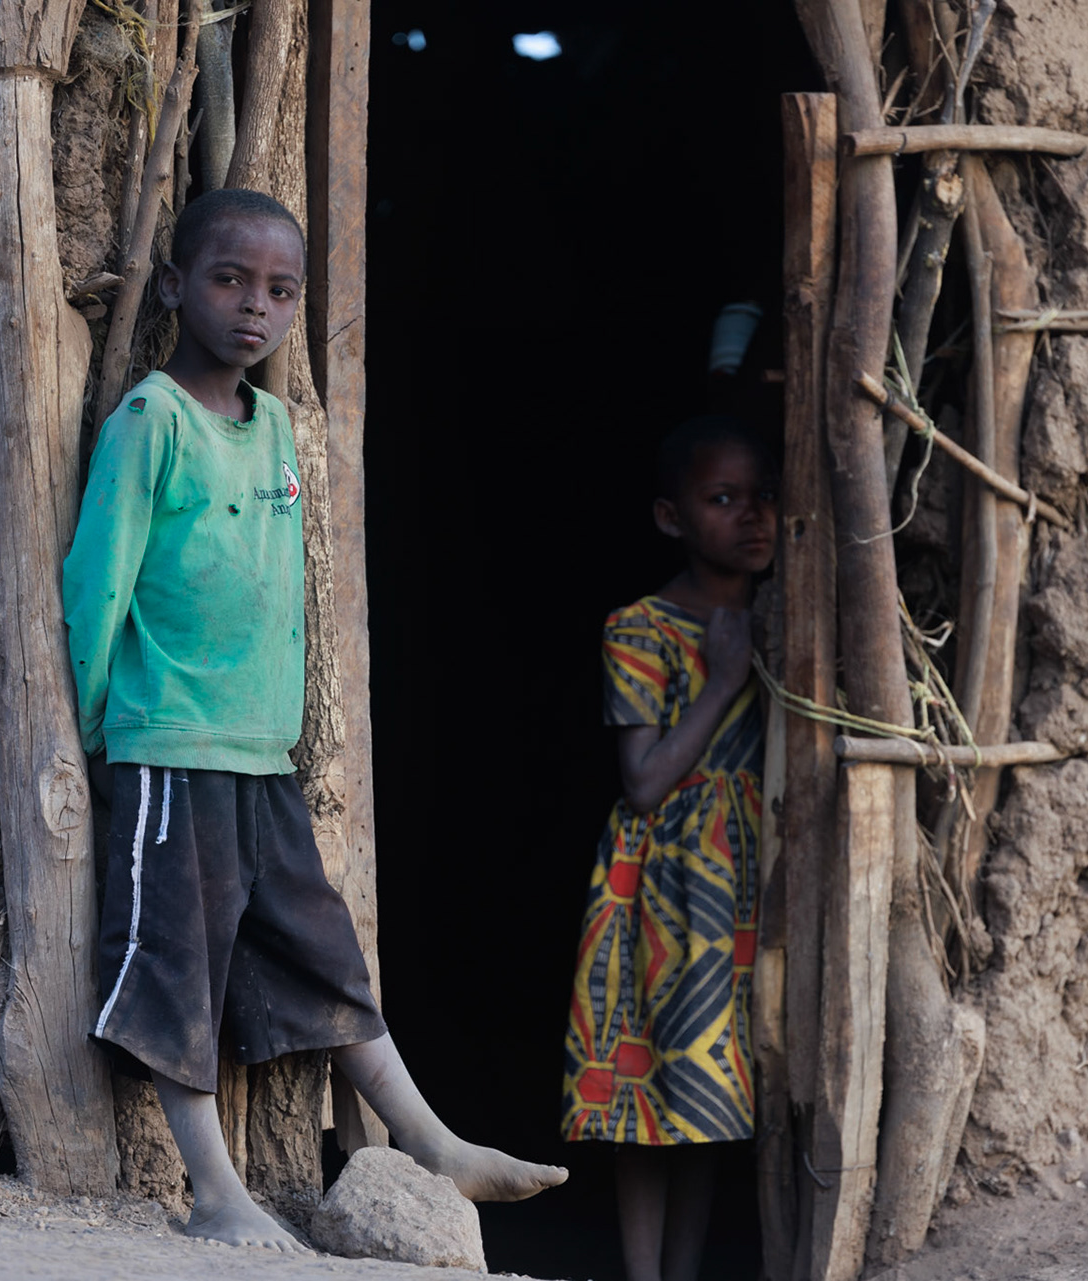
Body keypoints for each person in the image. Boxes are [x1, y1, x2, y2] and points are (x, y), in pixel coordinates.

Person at [62, 188, 567, 1252]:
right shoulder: (152, 422)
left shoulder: (280, 428)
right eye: (229, 280)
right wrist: (108, 730)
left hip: (259, 755)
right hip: (168, 748)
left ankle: (432, 1141)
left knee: (327, 950)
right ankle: (216, 1192)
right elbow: (96, 586)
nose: (254, 307)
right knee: (176, 965)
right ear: (173, 287)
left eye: (280, 291)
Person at [559, 415, 778, 1281]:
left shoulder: (790, 621)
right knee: (647, 1097)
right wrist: (725, 680)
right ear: (670, 517)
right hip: (662, 895)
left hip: (747, 892)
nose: (751, 515)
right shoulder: (640, 628)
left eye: (762, 495)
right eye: (722, 498)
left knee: (711, 1097)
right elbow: (644, 781)